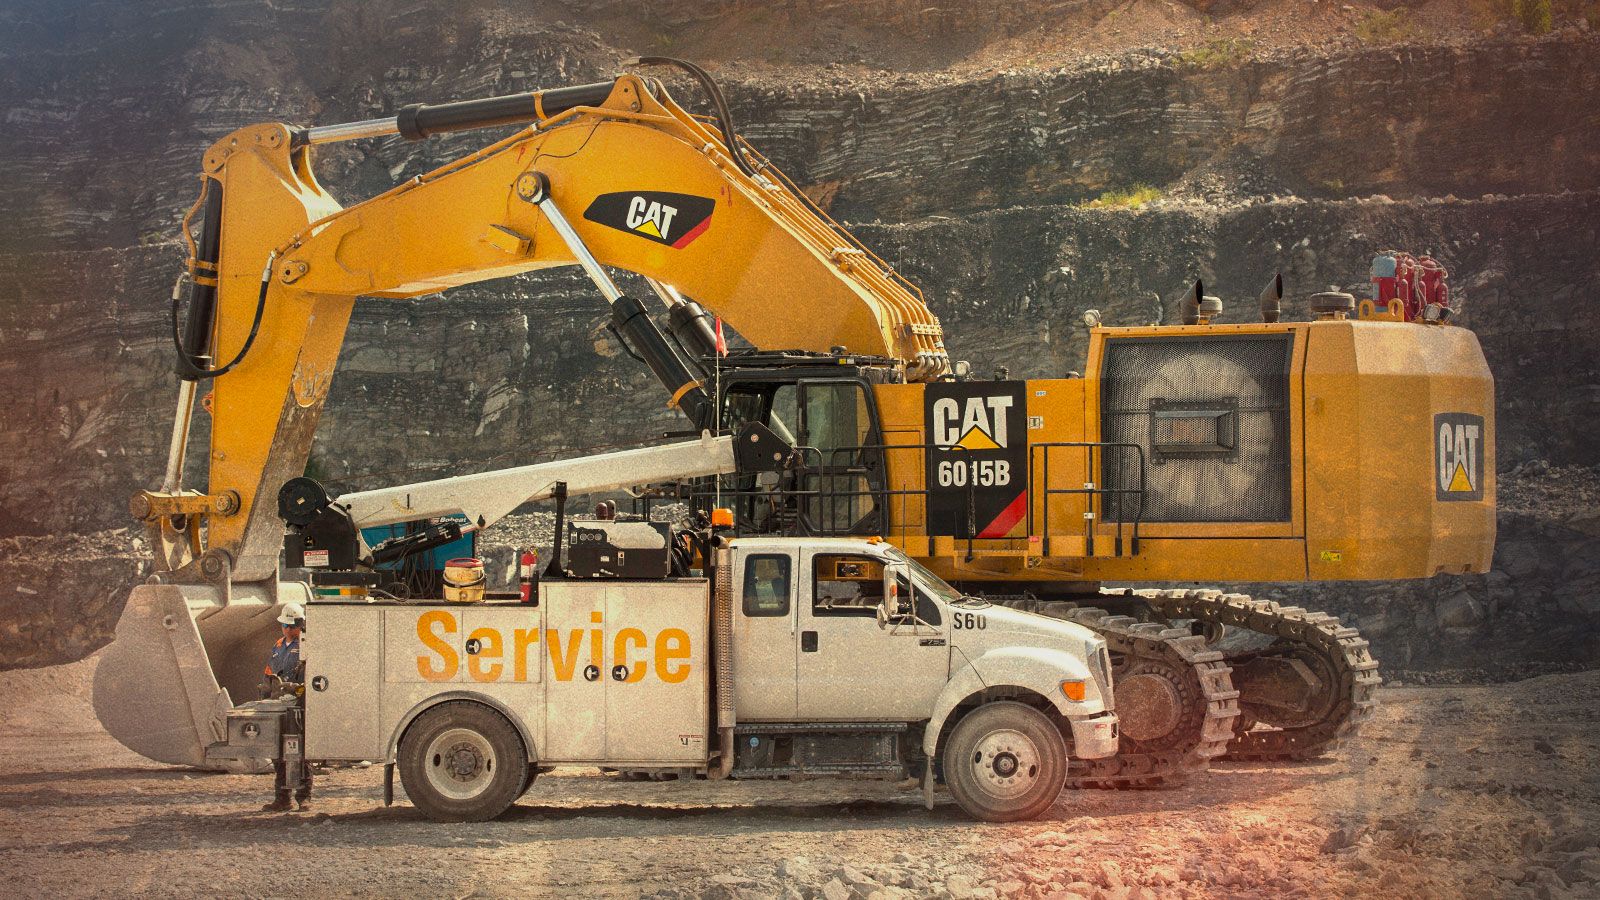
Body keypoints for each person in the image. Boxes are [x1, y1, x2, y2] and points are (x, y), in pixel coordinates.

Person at [262, 602, 312, 812]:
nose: (287, 629)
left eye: (290, 626)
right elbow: (268, 672)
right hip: (279, 703)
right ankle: (282, 797)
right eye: (285, 626)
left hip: (298, 704)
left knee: (299, 750)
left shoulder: (306, 644)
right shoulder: (279, 644)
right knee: (278, 751)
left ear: (298, 625)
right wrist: (265, 689)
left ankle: (304, 797)